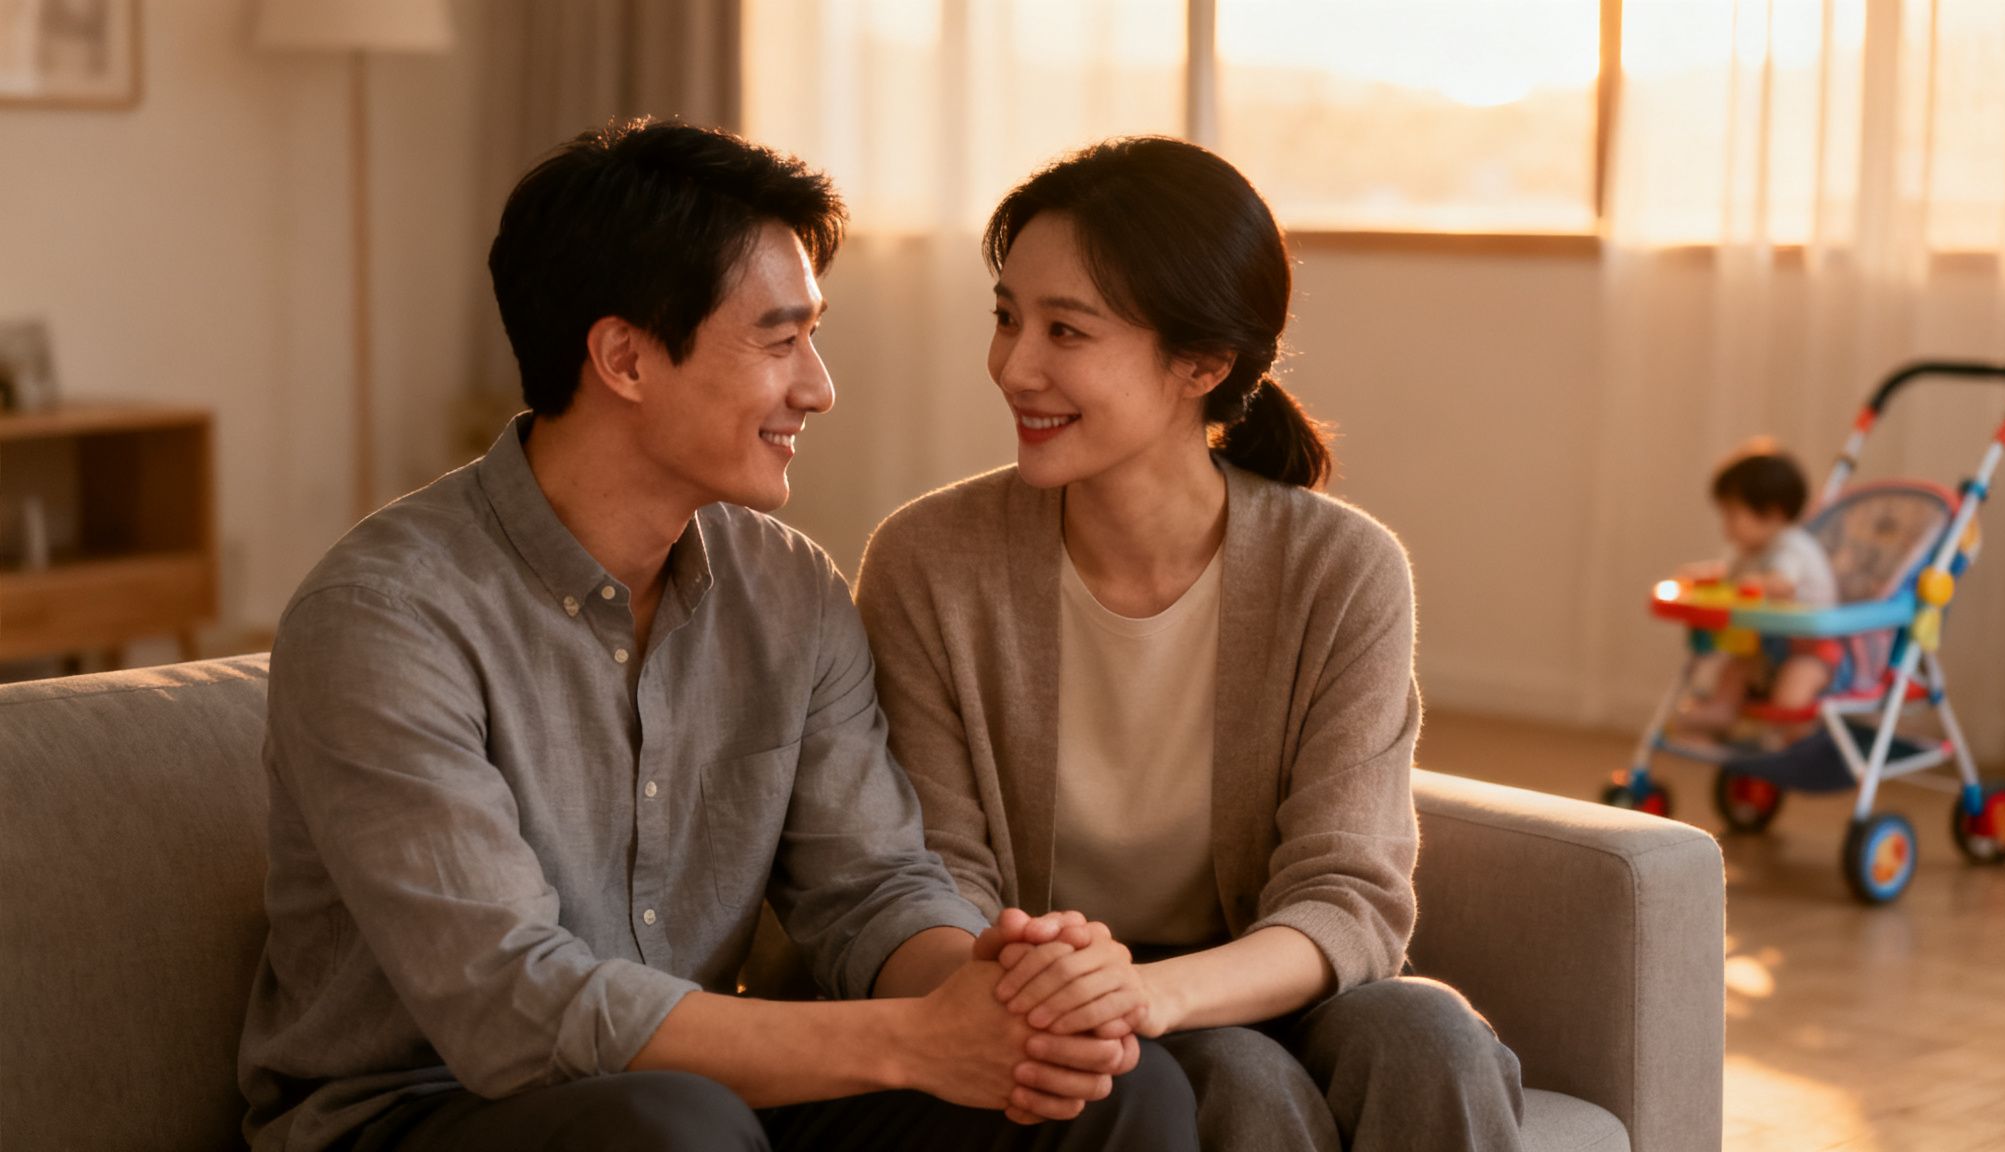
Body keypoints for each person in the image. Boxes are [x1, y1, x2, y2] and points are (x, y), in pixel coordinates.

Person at [236, 118, 1198, 1152]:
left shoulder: (785, 591)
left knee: (1103, 1092)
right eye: (780, 342)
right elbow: (512, 1005)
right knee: (668, 1129)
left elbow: (867, 890)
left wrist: (992, 996)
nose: (817, 387)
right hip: (426, 1113)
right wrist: (914, 1045)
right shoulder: (385, 619)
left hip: (708, 1098)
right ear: (624, 359)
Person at [855, 136, 1524, 1152]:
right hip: (1057, 1016)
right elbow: (939, 874)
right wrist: (1084, 993)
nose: (1012, 365)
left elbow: (1348, 896)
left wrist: (1151, 990)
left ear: (1201, 364)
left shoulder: (1341, 571)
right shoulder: (929, 562)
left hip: (1256, 977)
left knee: (1431, 1032)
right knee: (1237, 1081)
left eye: (1064, 330)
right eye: (1005, 316)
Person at [1673, 439, 1843, 736]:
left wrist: (1757, 586)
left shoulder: (1791, 546)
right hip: (1767, 646)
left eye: (1732, 514)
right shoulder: (1749, 551)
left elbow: (1781, 583)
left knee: (1791, 697)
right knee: (1735, 666)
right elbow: (1728, 577)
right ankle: (1722, 709)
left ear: (1773, 512)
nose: (1725, 526)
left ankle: (1805, 747)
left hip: (1813, 650)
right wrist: (1701, 578)